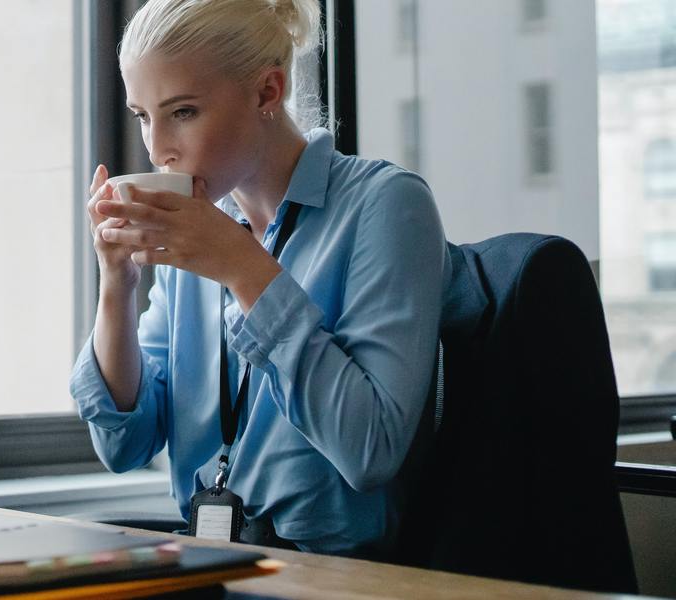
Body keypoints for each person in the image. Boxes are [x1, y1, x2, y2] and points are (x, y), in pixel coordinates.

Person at [69, 0, 450, 558]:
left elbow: (371, 450)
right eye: (143, 116)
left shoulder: (386, 205)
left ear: (268, 92)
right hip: (211, 562)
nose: (157, 149)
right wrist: (116, 285)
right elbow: (122, 443)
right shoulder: (201, 228)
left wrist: (243, 269)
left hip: (338, 577)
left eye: (183, 112)